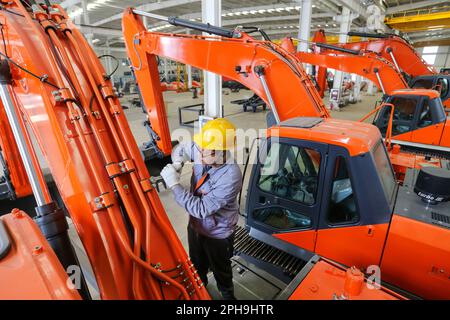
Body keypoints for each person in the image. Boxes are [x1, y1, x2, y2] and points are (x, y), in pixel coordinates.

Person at [160, 118, 242, 300]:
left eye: (205, 152)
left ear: (220, 153)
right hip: (196, 227)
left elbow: (202, 209)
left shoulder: (231, 176)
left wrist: (174, 184)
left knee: (221, 270)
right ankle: (200, 291)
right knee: (197, 265)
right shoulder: (204, 147)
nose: (200, 153)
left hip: (217, 233)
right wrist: (178, 164)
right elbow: (181, 148)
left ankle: (228, 297)